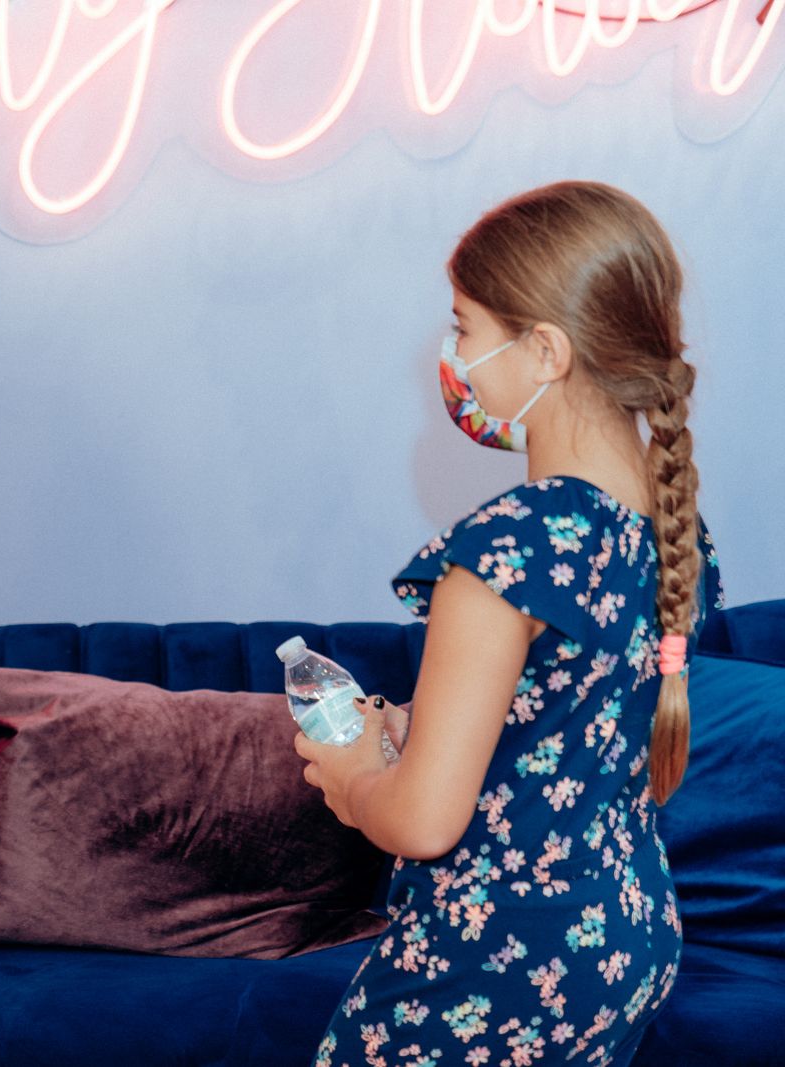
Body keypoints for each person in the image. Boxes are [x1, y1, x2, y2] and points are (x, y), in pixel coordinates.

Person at [295, 182, 722, 1067]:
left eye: (463, 328)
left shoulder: (511, 547)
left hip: (498, 960)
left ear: (545, 352)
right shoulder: (665, 530)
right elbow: (565, 733)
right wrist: (414, 732)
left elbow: (421, 823)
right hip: (621, 935)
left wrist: (352, 777)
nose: (452, 357)